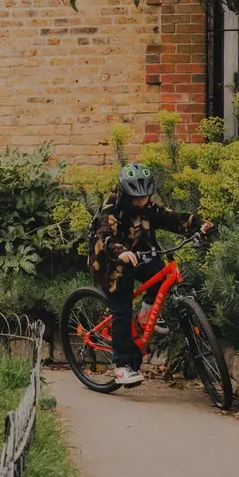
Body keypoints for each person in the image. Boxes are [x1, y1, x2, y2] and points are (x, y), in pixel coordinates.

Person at [89, 162, 213, 388]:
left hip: (139, 256)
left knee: (160, 273)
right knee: (122, 311)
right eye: (137, 198)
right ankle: (121, 367)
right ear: (125, 194)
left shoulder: (147, 207)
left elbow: (172, 218)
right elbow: (104, 234)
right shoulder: (112, 206)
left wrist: (199, 224)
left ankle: (146, 314)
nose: (142, 202)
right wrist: (121, 251)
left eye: (145, 197)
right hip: (111, 263)